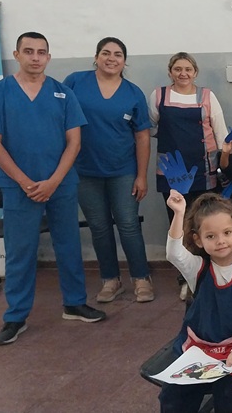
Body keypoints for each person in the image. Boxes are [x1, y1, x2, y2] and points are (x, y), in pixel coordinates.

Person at [0, 32, 106, 346]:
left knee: (69, 245)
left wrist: (53, 181)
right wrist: (25, 182)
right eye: (29, 51)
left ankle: (74, 303)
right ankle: (15, 317)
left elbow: (74, 142)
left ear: (48, 57)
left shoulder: (63, 93)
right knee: (20, 251)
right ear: (17, 55)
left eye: (41, 52)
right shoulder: (0, 93)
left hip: (60, 184)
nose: (35, 57)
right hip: (17, 187)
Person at [63, 37, 154, 303]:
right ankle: (111, 280)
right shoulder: (75, 82)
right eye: (106, 53)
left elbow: (142, 136)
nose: (111, 58)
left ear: (124, 61)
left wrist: (141, 176)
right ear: (96, 57)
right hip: (84, 171)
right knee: (99, 227)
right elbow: (59, 118)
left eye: (117, 54)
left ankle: (141, 278)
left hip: (123, 171)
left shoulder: (133, 93)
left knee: (128, 225)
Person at [158, 191, 232, 413]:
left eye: (226, 233)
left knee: (226, 395)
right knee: (172, 395)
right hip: (197, 348)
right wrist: (179, 214)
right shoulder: (198, 268)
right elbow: (173, 253)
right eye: (211, 236)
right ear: (198, 240)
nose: (221, 241)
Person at [149, 52, 228, 222]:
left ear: (195, 72)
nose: (183, 73)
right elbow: (149, 128)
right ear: (170, 72)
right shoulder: (159, 95)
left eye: (188, 69)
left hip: (203, 169)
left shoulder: (207, 96)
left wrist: (225, 155)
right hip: (172, 170)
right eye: (177, 69)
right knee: (177, 220)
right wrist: (169, 135)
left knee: (204, 220)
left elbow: (221, 133)